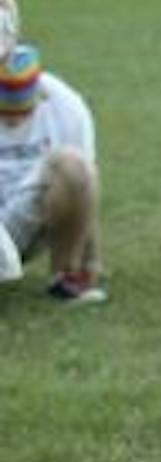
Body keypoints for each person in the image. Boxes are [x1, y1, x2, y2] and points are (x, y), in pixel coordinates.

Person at [0, 42, 105, 303]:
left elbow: (84, 184)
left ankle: (68, 276)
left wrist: (90, 262)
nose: (13, 122)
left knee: (73, 166)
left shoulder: (65, 105)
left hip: (25, 218)